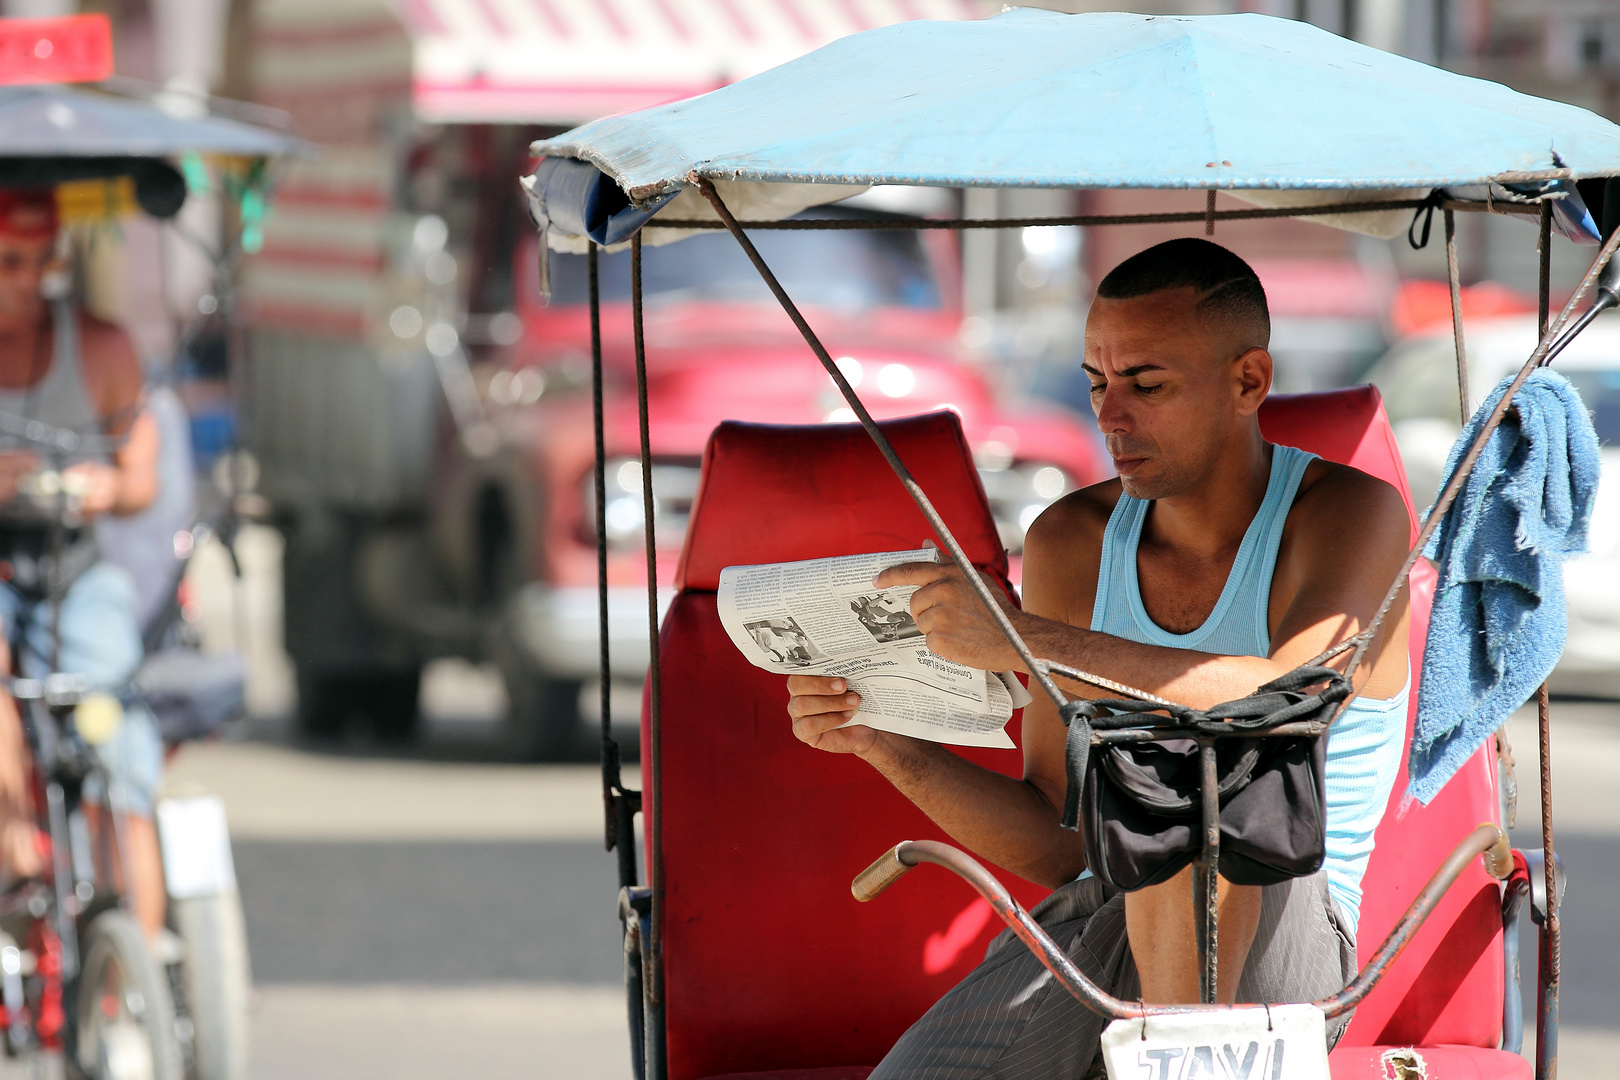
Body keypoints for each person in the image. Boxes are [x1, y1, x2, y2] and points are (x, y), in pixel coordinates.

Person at [786, 238, 1412, 1078]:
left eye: (1146, 386)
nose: (1110, 417)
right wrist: (882, 741)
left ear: (1248, 382)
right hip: (1109, 915)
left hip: (1289, 936)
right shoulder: (1073, 542)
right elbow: (1059, 842)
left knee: (1193, 774)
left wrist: (1025, 643)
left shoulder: (1347, 515)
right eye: (1095, 383)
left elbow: (1284, 698)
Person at [0, 187, 167, 942]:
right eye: (11, 263)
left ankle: (145, 964)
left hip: (75, 571)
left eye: (45, 262)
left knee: (119, 745)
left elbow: (141, 476)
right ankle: (16, 849)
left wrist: (107, 486)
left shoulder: (101, 346)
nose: (31, 280)